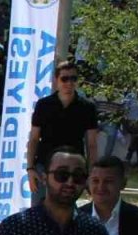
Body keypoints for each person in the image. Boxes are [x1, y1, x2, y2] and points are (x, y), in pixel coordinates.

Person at [27, 62, 99, 200]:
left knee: (68, 209)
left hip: (74, 167)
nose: (69, 83)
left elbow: (92, 144)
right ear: (56, 80)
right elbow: (34, 139)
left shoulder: (87, 107)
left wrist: (91, 173)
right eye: (65, 78)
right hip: (44, 165)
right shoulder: (43, 105)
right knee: (39, 212)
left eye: (73, 78)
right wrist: (30, 169)